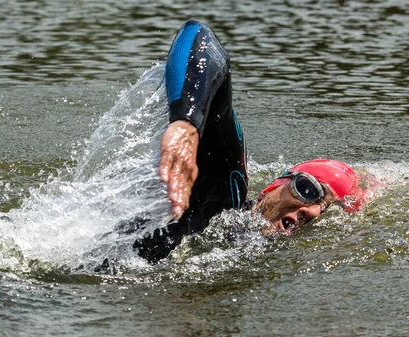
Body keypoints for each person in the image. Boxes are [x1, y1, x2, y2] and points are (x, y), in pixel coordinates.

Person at [133, 19, 369, 263]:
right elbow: (199, 35)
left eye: (326, 212)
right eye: (307, 190)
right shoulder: (221, 195)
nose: (312, 211)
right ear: (273, 186)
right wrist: (186, 124)